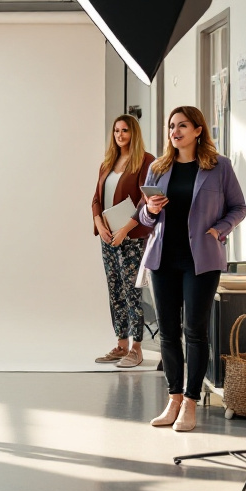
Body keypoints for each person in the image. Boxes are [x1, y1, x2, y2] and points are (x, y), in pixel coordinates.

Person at [138, 106, 246, 432]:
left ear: (198, 130)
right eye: (172, 126)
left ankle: (190, 401)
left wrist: (219, 230)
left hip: (201, 260)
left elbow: (239, 207)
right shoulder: (158, 168)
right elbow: (144, 218)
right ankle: (173, 399)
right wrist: (150, 209)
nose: (175, 131)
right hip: (163, 259)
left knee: (195, 331)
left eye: (182, 125)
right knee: (168, 332)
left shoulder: (219, 167)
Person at [91, 114, 156, 369]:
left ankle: (137, 348)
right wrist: (100, 225)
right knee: (115, 290)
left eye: (125, 130)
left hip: (131, 237)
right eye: (116, 131)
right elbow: (96, 199)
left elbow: (144, 200)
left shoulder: (145, 161)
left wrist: (125, 230)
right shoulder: (107, 163)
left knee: (132, 292)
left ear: (133, 133)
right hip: (108, 236)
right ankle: (121, 345)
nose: (120, 135)